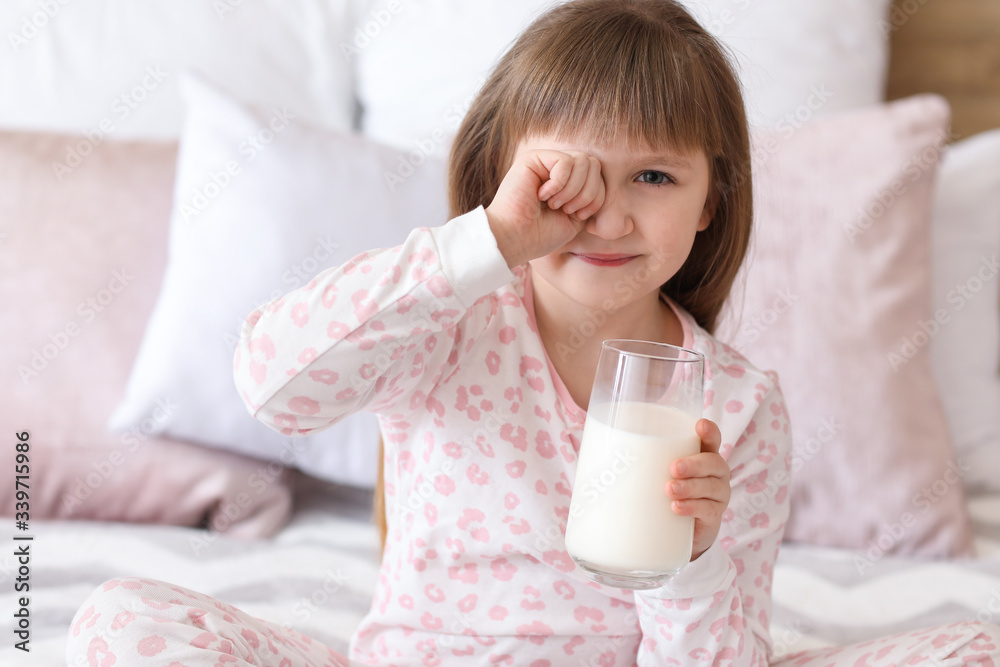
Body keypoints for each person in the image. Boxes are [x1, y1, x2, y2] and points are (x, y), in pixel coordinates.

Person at [66, 1, 1000, 665]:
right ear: (503, 179)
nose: (608, 217)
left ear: (714, 197)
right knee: (122, 621)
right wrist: (486, 243)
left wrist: (692, 560)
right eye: (568, 180)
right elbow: (274, 383)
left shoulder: (736, 406)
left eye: (655, 179)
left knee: (971, 646)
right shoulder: (448, 318)